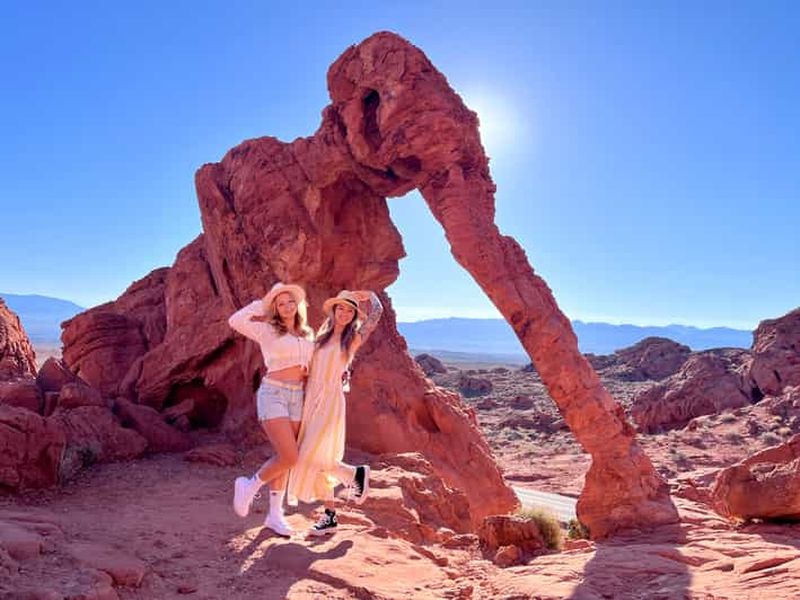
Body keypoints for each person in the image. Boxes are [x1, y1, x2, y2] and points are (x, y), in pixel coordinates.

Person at [287, 289, 383, 536]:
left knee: (311, 454)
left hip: (330, 400)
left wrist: (370, 296)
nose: (345, 313)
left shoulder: (351, 340)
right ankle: (330, 515)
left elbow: (376, 314)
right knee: (314, 460)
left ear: (353, 316)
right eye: (341, 308)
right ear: (334, 310)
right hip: (312, 400)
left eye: (350, 311)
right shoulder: (321, 336)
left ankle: (354, 474)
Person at [227, 282, 315, 536]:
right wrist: (261, 304)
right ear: (274, 308)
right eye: (280, 303)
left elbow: (315, 364)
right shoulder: (266, 330)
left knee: (285, 458)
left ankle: (275, 515)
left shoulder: (307, 333)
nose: (287, 306)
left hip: (298, 396)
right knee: (290, 456)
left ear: (297, 305)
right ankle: (249, 486)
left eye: (290, 302)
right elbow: (235, 320)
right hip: (273, 392)